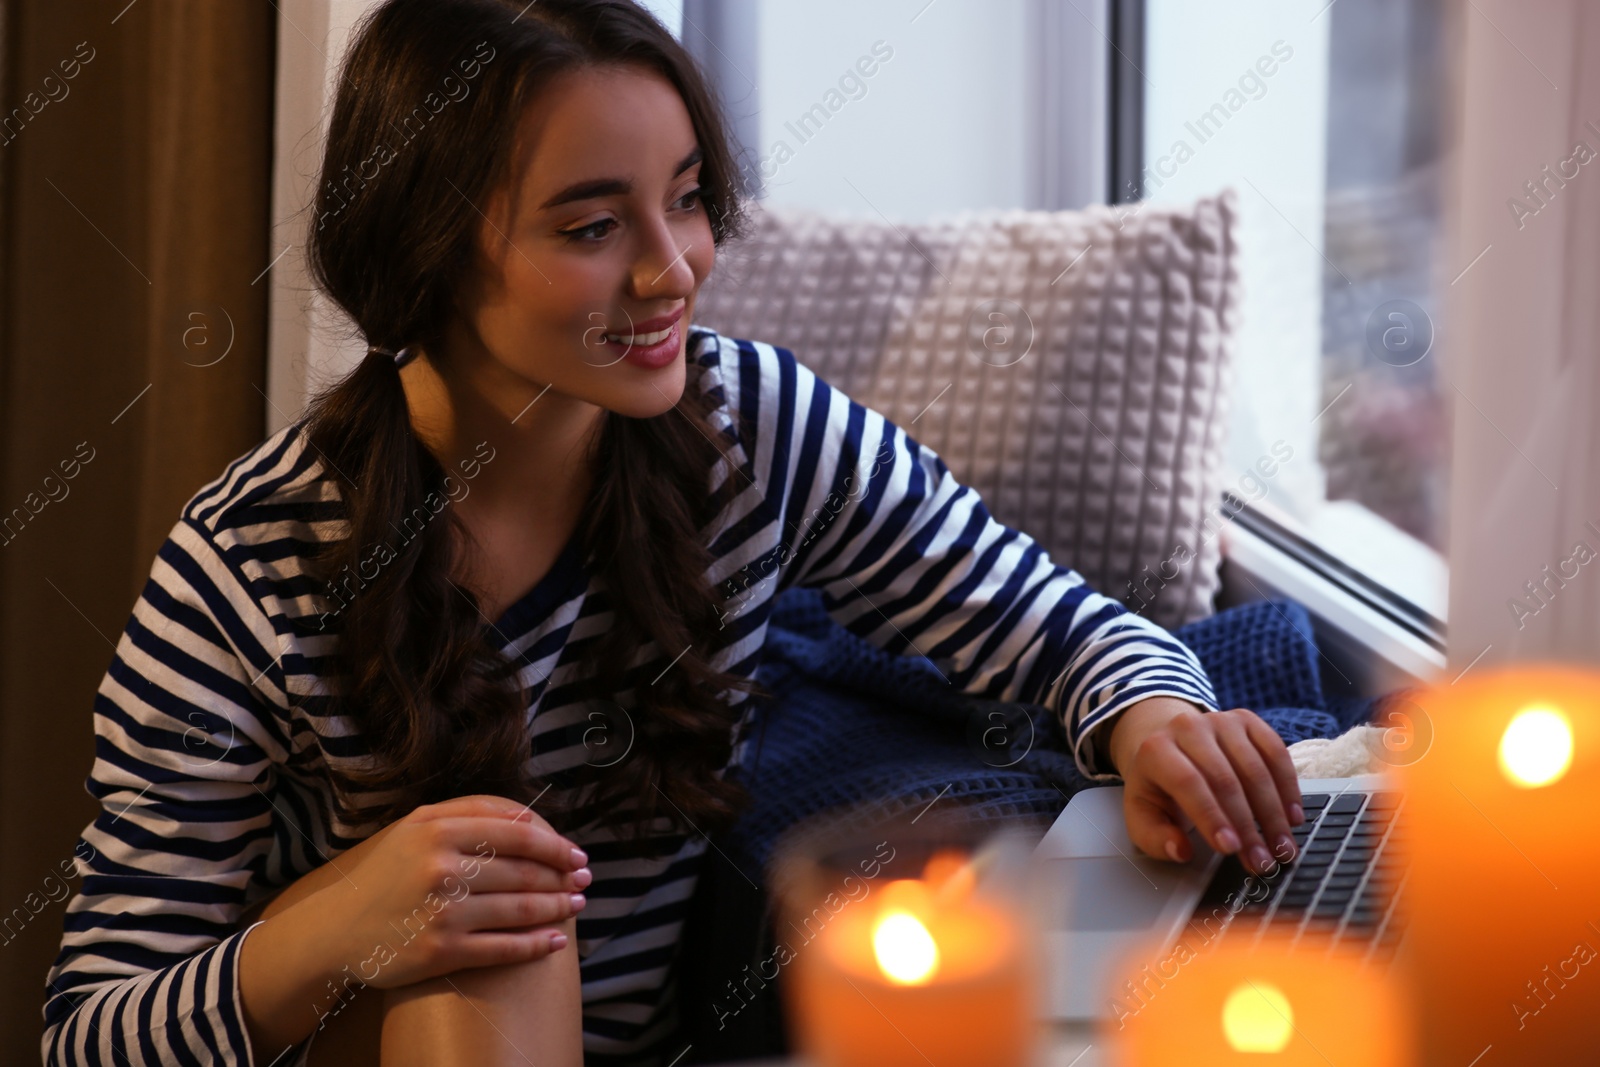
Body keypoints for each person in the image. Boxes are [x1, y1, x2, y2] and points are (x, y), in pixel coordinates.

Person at [39, 1, 1303, 1064]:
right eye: (592, 227)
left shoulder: (751, 422)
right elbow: (88, 1031)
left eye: (687, 199)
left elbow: (1043, 620)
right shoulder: (239, 575)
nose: (673, 269)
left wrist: (1154, 720)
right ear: (421, 247)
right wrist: (329, 926)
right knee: (489, 928)